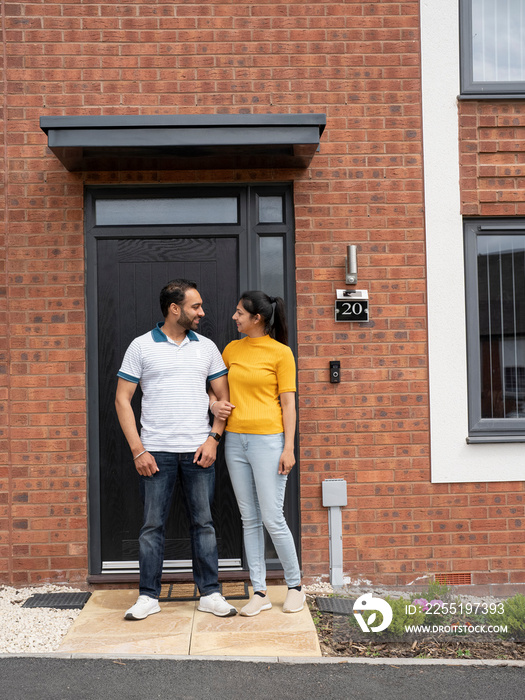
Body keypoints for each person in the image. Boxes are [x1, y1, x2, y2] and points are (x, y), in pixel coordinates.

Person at [115, 279, 238, 620]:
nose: (202, 312)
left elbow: (223, 400)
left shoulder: (207, 348)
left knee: (204, 524)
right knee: (152, 526)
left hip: (199, 450)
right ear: (174, 308)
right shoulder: (141, 347)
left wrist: (214, 438)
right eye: (196, 307)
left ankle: (210, 593)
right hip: (156, 452)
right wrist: (139, 450)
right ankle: (148, 597)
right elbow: (122, 400)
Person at [210, 291, 304, 616]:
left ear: (256, 319)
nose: (234, 318)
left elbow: (289, 403)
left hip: (269, 442)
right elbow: (215, 388)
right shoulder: (231, 349)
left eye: (239, 313)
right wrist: (213, 404)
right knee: (248, 519)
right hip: (235, 441)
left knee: (272, 518)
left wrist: (288, 448)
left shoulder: (281, 353)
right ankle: (260, 591)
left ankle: (295, 587)